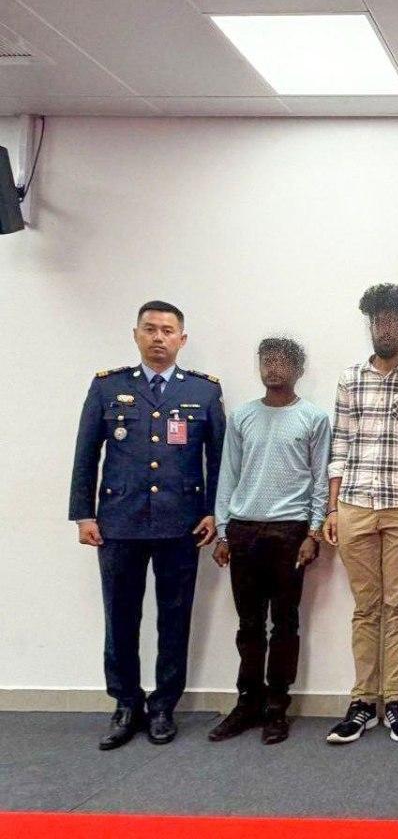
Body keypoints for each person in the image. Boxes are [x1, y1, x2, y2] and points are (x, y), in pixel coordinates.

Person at [70, 300, 225, 749]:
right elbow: (85, 454)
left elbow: (219, 459)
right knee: (120, 617)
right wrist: (84, 514)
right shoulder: (108, 387)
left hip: (182, 524)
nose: (159, 337)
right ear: (136, 334)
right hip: (119, 523)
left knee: (175, 618)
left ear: (182, 339)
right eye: (150, 329)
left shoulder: (204, 391)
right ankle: (126, 704)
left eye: (168, 330)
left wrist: (214, 511)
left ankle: (162, 707)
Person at [322, 284, 398, 745]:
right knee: (365, 608)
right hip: (354, 505)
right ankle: (361, 703)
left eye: (394, 320)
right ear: (370, 324)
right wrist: (332, 508)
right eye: (379, 320)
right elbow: (339, 446)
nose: (386, 328)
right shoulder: (349, 378)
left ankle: (395, 701)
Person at [208, 338, 331, 745]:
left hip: (289, 533)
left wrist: (313, 532)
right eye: (267, 360)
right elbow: (228, 476)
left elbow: (320, 480)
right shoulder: (242, 417)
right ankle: (247, 703)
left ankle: (277, 706)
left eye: (282, 361)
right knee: (248, 624)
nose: (273, 368)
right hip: (244, 531)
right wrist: (223, 531)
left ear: (298, 369)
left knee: (285, 623)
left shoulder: (313, 418)